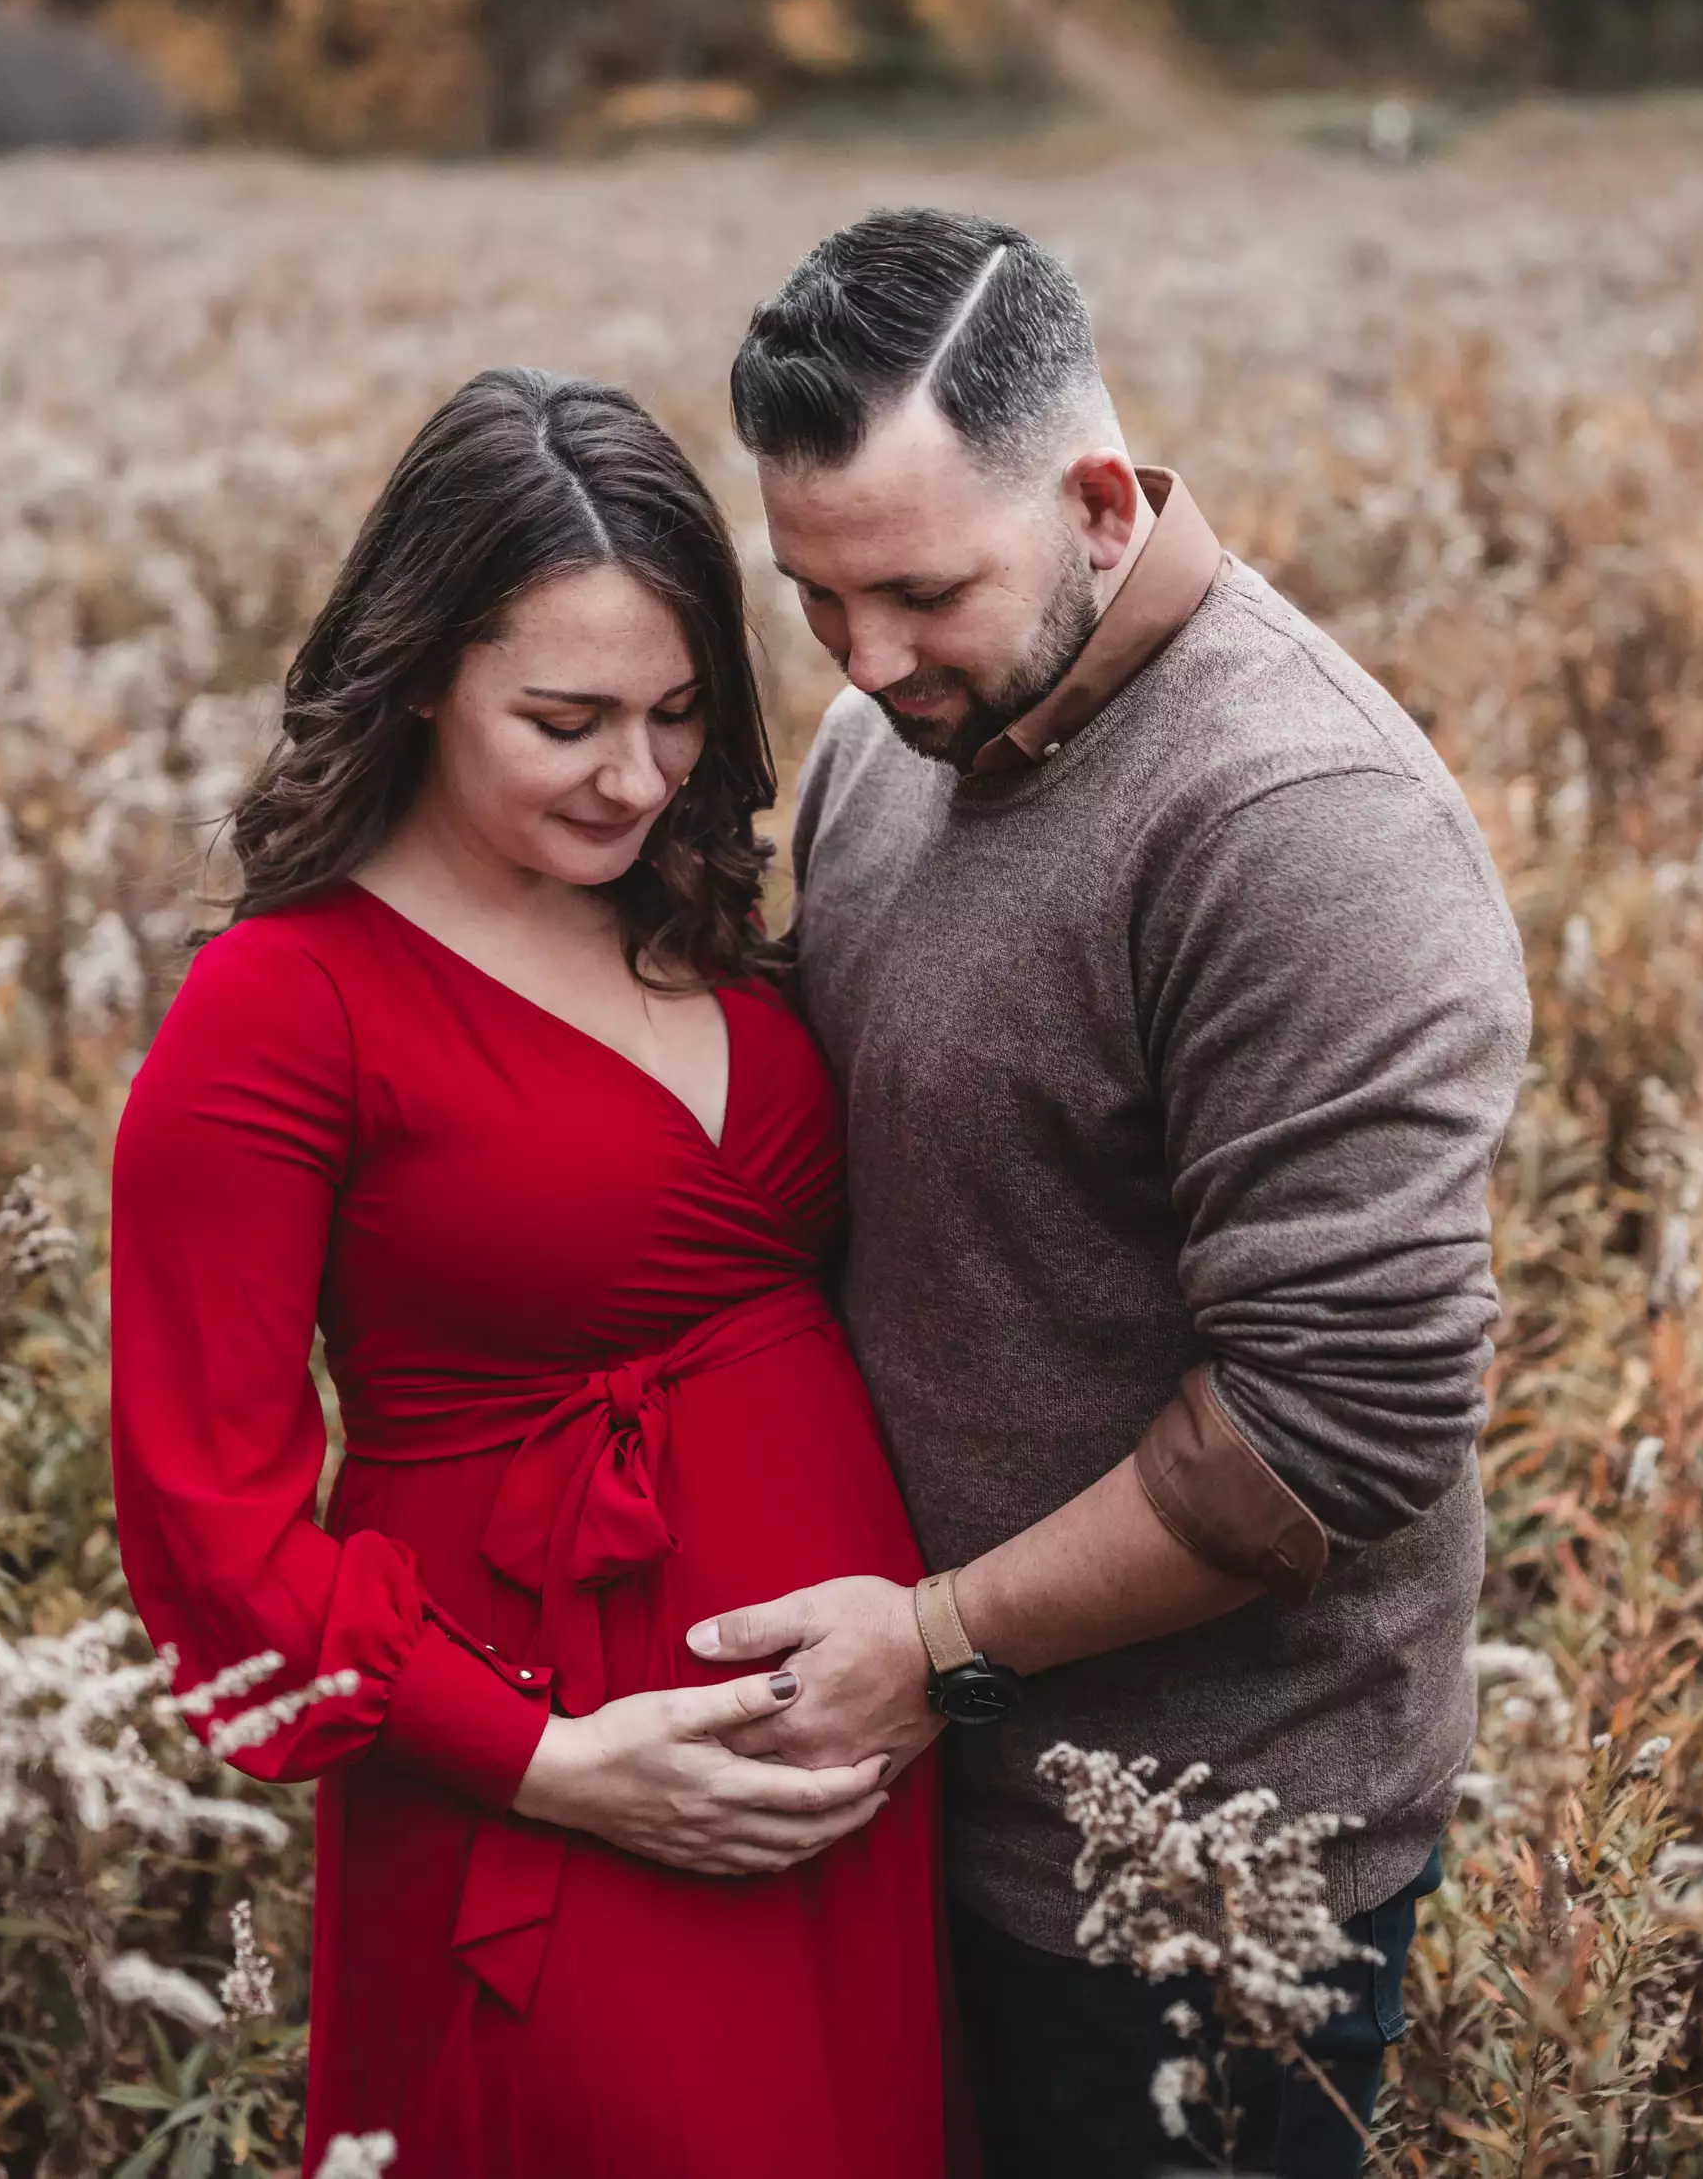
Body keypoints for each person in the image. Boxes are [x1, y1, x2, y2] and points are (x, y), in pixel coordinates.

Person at [690, 208, 1532, 2179]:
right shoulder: (888, 739)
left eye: (915, 589)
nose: (865, 657)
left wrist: (932, 1638)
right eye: (813, 595)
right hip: (901, 1791)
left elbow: (1338, 1425)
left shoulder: (1297, 824)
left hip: (1197, 1863)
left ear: (1090, 496)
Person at [107, 367, 947, 2179]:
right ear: (421, 673)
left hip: (849, 1773)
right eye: (564, 719)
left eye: (673, 713)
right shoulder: (279, 1010)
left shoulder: (694, 905)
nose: (634, 775)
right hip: (549, 1795)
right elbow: (208, 1530)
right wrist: (557, 1763)